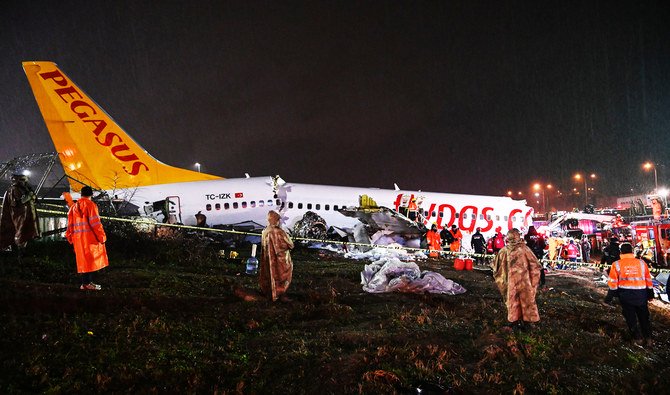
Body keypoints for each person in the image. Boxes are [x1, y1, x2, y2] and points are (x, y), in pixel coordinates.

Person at [603, 243, 654, 346]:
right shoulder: (641, 263)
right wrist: (650, 294)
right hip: (641, 295)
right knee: (644, 317)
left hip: (625, 296)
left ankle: (637, 338)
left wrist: (608, 299)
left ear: (621, 252)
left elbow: (613, 284)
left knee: (631, 318)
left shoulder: (616, 264)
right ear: (632, 251)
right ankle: (648, 338)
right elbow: (648, 279)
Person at [492, 228, 542, 330]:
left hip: (511, 283)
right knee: (527, 300)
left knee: (512, 301)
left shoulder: (503, 251)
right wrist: (533, 281)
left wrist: (503, 278)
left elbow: (496, 268)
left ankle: (514, 320)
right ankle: (528, 321)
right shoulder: (525, 250)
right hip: (525, 283)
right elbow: (535, 266)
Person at [65, 186, 108, 290]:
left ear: (81, 194)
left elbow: (70, 224)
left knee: (84, 262)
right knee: (91, 261)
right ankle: (86, 284)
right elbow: (96, 224)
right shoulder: (91, 205)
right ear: (91, 195)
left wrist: (70, 237)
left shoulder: (74, 207)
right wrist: (102, 237)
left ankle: (87, 283)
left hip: (78, 239)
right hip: (90, 239)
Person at [259, 210, 294, 302]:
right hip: (280, 260)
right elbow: (290, 245)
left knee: (269, 275)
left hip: (267, 260)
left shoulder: (265, 232)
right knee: (282, 276)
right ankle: (280, 294)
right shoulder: (280, 232)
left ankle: (270, 293)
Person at [0, 174, 40, 251]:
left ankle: (21, 251)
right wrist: (30, 195)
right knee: (21, 233)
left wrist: (31, 196)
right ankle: (19, 252)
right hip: (20, 216)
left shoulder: (24, 189)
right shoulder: (15, 189)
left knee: (25, 233)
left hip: (26, 215)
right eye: (22, 180)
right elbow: (22, 201)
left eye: (24, 180)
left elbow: (32, 199)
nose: (24, 182)